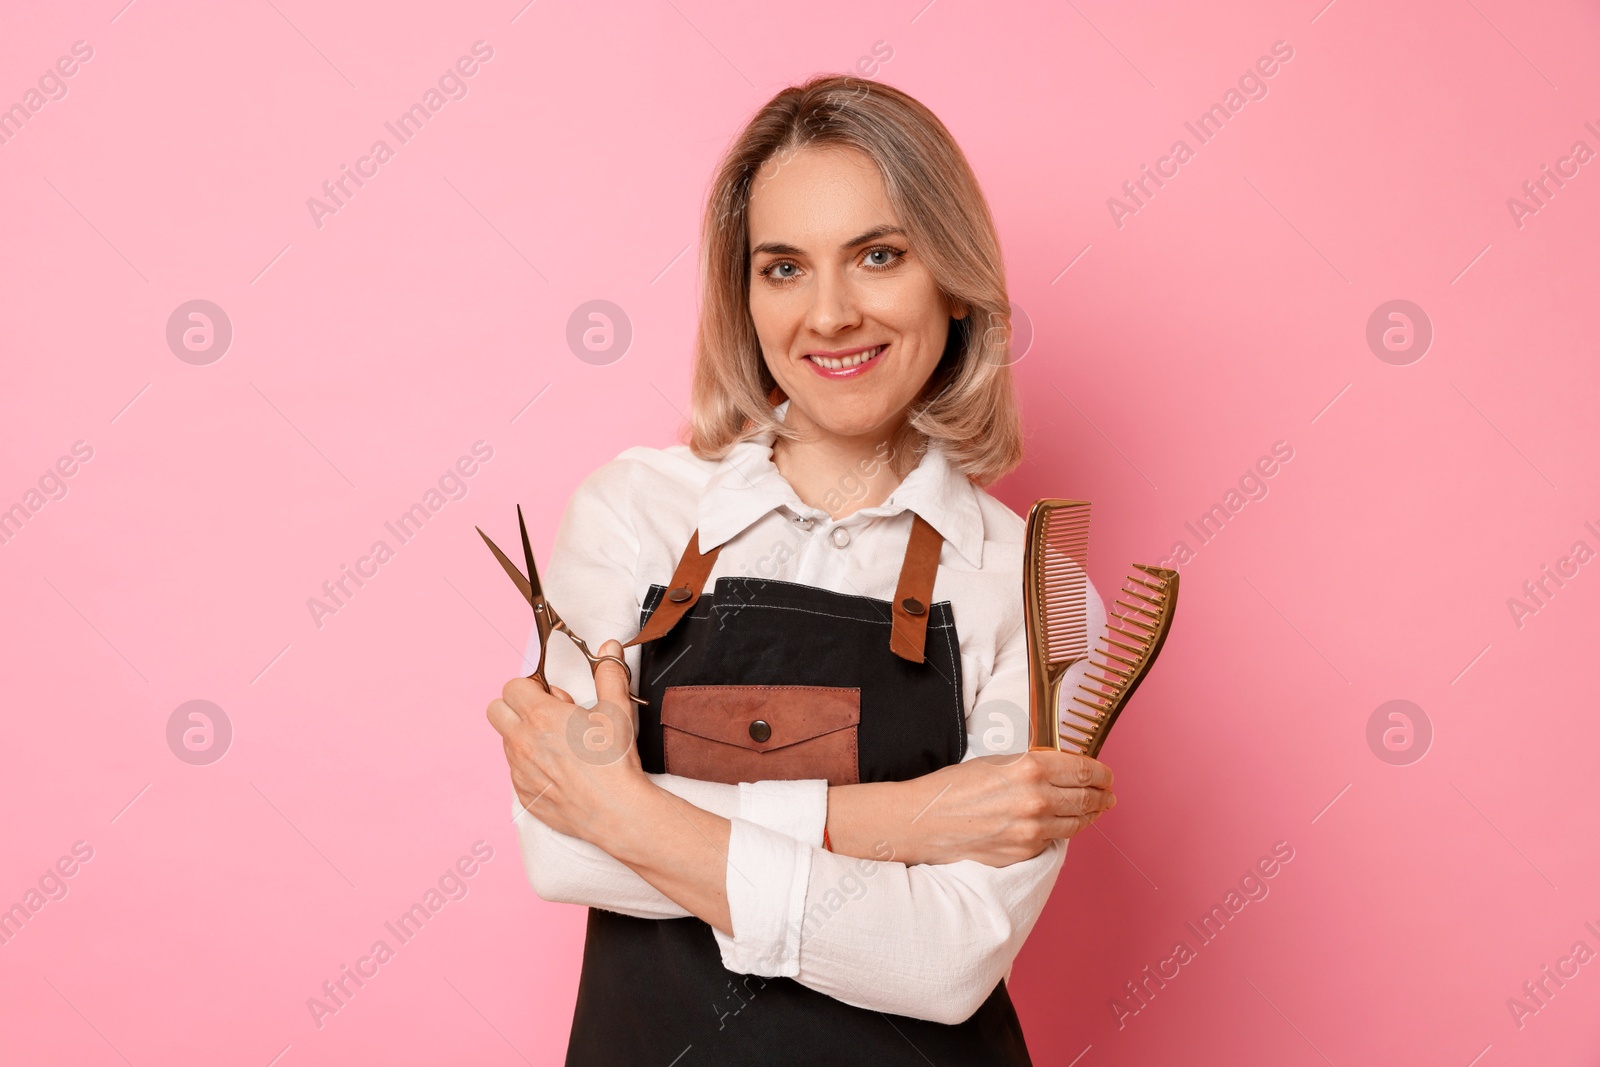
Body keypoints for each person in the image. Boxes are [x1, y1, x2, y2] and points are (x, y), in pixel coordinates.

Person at [484, 73, 1116, 1065]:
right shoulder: (632, 513)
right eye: (783, 267)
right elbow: (561, 846)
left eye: (877, 256)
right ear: (743, 295)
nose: (828, 313)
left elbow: (945, 962)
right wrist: (901, 817)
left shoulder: (1032, 588)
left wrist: (630, 809)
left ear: (952, 280)